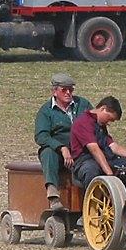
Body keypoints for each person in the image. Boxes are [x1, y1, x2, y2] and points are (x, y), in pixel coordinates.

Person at [35, 73, 92, 210]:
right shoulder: (46, 111)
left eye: (71, 90)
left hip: (81, 150)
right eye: (64, 90)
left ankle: (87, 203)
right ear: (54, 91)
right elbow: (41, 136)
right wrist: (61, 147)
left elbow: (94, 123)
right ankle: (53, 194)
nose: (68, 93)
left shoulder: (82, 104)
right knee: (47, 152)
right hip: (58, 153)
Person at [70, 96, 126, 189]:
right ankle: (92, 201)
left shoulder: (100, 125)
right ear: (103, 109)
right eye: (110, 119)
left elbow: (113, 146)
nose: (109, 123)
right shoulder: (83, 122)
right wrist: (110, 175)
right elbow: (94, 150)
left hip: (105, 157)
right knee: (91, 170)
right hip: (85, 161)